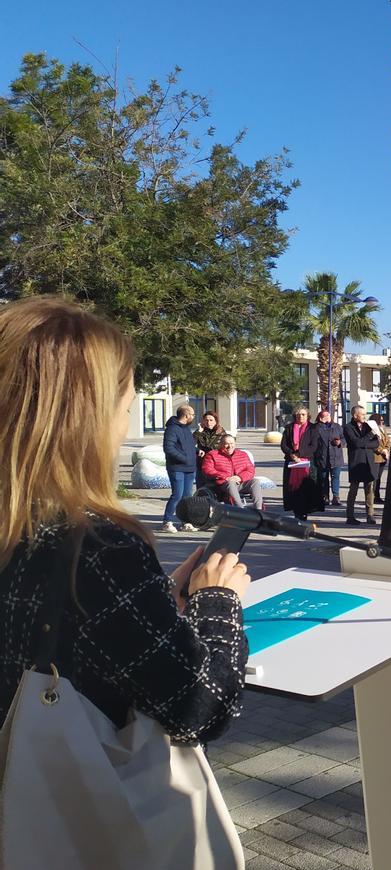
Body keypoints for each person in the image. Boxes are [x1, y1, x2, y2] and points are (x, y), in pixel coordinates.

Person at [0, 298, 250, 832]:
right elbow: (200, 707)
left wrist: (155, 601)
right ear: (90, 416)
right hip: (69, 829)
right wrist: (217, 603)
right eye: (126, 402)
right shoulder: (99, 546)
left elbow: (71, 626)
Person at [201, 434, 264, 510]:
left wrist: (240, 477)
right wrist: (226, 478)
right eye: (226, 444)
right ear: (221, 444)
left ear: (235, 444)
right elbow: (207, 470)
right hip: (222, 484)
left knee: (255, 481)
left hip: (239, 482)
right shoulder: (212, 455)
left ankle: (259, 509)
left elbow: (250, 470)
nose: (229, 446)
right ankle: (240, 509)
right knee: (231, 483)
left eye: (232, 444)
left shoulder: (242, 454)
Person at [281, 406, 323, 519]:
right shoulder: (289, 428)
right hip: (291, 462)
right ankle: (296, 511)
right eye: (298, 414)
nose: (301, 416)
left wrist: (299, 454)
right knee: (293, 488)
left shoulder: (313, 428)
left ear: (307, 416)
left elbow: (314, 446)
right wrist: (291, 454)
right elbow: (284, 445)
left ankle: (305, 510)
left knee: (305, 487)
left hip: (307, 463)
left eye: (303, 414)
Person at [161, 404, 198, 533]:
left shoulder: (186, 429)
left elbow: (189, 447)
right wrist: (185, 458)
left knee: (187, 496)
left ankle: (185, 522)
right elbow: (169, 448)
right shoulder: (172, 429)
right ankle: (167, 521)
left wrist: (197, 452)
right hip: (177, 468)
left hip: (190, 468)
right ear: (186, 415)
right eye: (192, 414)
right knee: (177, 495)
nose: (193, 417)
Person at [343, 405, 381, 525]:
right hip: (356, 461)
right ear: (355, 416)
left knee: (369, 490)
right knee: (353, 490)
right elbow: (356, 443)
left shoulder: (368, 426)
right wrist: (369, 436)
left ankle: (370, 515)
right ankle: (350, 516)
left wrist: (365, 443)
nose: (364, 416)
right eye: (362, 414)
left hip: (368, 461)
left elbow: (376, 443)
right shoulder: (348, 427)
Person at [314, 408, 346, 507]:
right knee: (323, 478)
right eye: (324, 416)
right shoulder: (316, 428)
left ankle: (336, 497)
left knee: (335, 477)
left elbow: (344, 438)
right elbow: (313, 438)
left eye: (328, 415)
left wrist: (340, 442)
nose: (327, 417)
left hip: (336, 457)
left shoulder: (337, 427)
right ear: (320, 418)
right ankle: (325, 496)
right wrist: (320, 424)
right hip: (322, 457)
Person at [367, 412, 391, 504]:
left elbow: (388, 440)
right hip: (376, 457)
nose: (382, 422)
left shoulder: (382, 429)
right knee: (374, 478)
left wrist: (386, 449)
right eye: (380, 420)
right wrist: (381, 450)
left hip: (383, 457)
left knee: (379, 478)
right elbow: (373, 444)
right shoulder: (371, 430)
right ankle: (372, 496)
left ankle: (377, 496)